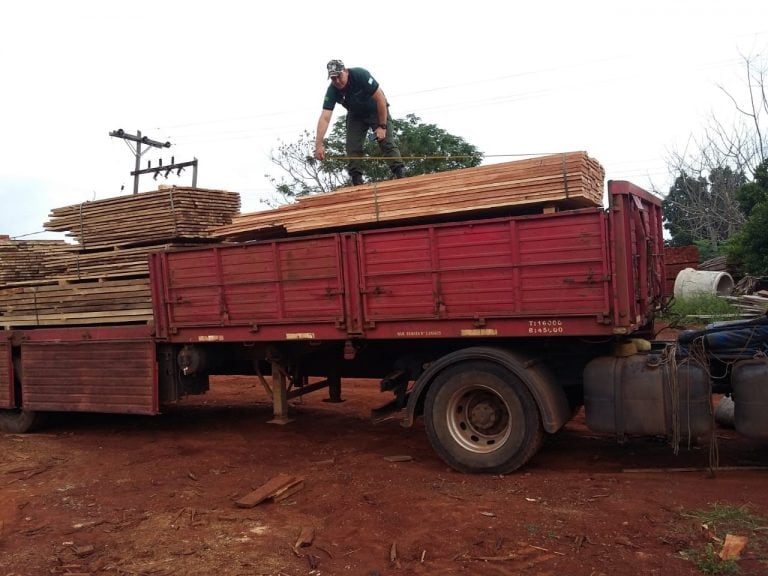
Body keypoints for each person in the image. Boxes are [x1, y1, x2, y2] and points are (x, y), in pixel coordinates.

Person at [315, 60, 406, 186]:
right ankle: (356, 179)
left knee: (386, 141)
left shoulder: (360, 75)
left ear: (345, 71)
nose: (337, 81)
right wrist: (318, 145)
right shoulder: (332, 90)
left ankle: (399, 172)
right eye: (333, 78)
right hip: (356, 115)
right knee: (352, 147)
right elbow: (325, 117)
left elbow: (381, 99)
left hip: (376, 109)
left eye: (339, 76)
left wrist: (382, 127)